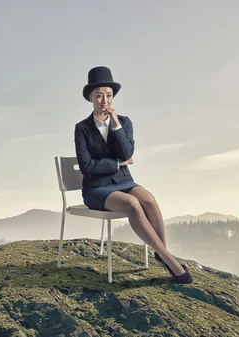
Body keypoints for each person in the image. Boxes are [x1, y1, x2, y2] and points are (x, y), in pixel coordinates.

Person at [74, 66, 192, 284]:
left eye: (108, 95)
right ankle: (170, 260)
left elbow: (128, 152)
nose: (104, 101)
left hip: (124, 181)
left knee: (149, 199)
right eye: (99, 95)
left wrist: (116, 125)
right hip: (96, 188)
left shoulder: (125, 122)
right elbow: (87, 166)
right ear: (90, 97)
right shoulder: (81, 128)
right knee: (133, 205)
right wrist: (118, 163)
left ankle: (161, 253)